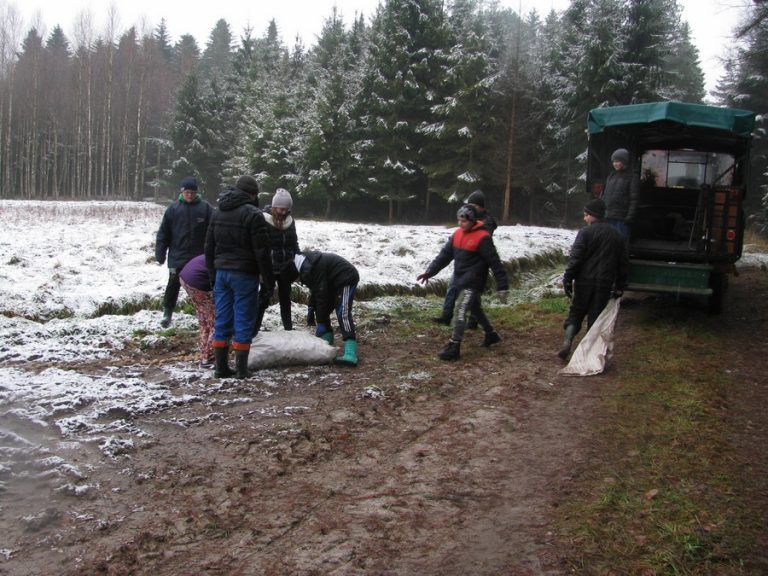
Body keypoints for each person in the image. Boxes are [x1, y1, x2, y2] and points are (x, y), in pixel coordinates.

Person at [418, 204, 509, 361]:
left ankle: (454, 345)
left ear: (473, 221)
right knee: (476, 309)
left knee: (460, 310)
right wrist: (430, 272)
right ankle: (491, 334)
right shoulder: (457, 235)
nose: (461, 224)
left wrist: (502, 286)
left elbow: (495, 263)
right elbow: (444, 255)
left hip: (474, 282)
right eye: (459, 220)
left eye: (464, 221)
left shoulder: (483, 237)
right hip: (460, 279)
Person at [204, 175, 273, 379]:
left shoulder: (217, 212)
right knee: (243, 319)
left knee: (222, 319)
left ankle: (221, 367)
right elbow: (262, 252)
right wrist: (269, 282)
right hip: (244, 274)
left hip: (221, 274)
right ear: (253, 194)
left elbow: (209, 247)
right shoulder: (253, 214)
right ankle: (242, 370)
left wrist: (212, 275)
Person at [559, 198, 629, 360]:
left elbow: (575, 258)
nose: (584, 218)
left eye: (586, 215)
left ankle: (567, 343)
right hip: (604, 284)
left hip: (583, 282)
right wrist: (620, 285)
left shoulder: (585, 233)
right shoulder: (616, 236)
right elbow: (623, 264)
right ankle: (587, 353)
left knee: (576, 312)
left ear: (593, 216)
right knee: (595, 317)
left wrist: (568, 278)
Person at [282, 251, 360, 366]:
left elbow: (321, 294)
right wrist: (311, 308)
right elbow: (317, 291)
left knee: (342, 312)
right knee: (321, 310)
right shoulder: (305, 266)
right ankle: (326, 339)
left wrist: (320, 321)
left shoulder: (310, 268)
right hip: (331, 282)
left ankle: (350, 351)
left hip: (345, 278)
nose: (297, 281)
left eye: (296, 280)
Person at [155, 176, 213, 328]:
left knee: (202, 286)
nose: (190, 195)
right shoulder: (173, 209)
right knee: (173, 284)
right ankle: (167, 312)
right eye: (187, 192)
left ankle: (204, 313)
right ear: (182, 192)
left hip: (198, 257)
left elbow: (214, 230)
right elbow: (163, 233)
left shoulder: (205, 208)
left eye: (193, 193)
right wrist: (160, 253)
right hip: (177, 256)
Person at [433, 189, 497, 326]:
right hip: (462, 262)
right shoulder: (466, 219)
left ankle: (474, 322)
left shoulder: (487, 222)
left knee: (473, 296)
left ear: (480, 207)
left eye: (474, 206)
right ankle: (446, 316)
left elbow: (483, 240)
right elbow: (448, 250)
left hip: (477, 267)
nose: (470, 208)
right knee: (452, 287)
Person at [254, 188, 300, 333]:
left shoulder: (290, 221)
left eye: (286, 209)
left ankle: (288, 329)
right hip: (269, 267)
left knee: (285, 299)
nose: (283, 212)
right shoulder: (263, 220)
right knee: (263, 298)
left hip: (286, 267)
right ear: (274, 207)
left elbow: (294, 242)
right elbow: (259, 245)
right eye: (281, 209)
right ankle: (254, 330)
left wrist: (298, 260)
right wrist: (259, 268)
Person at [178, 254, 215, 369]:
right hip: (198, 281)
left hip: (185, 278)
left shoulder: (216, 252)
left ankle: (204, 353)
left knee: (204, 319)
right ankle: (208, 358)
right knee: (216, 321)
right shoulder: (225, 260)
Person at [601, 148, 639, 238]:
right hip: (608, 216)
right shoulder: (611, 175)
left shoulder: (632, 176)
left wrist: (630, 217)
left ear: (625, 161)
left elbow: (634, 199)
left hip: (622, 219)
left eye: (618, 161)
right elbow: (604, 195)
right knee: (607, 244)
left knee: (620, 244)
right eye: (614, 161)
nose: (615, 164)